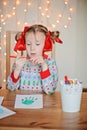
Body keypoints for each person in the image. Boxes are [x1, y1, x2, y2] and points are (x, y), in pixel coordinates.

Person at [6, 24, 63, 94]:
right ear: (25, 44)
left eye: (37, 44)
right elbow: (10, 89)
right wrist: (17, 70)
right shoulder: (19, 63)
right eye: (29, 44)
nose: (32, 48)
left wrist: (44, 66)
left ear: (45, 45)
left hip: (43, 103)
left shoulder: (50, 63)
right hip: (23, 102)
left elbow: (50, 91)